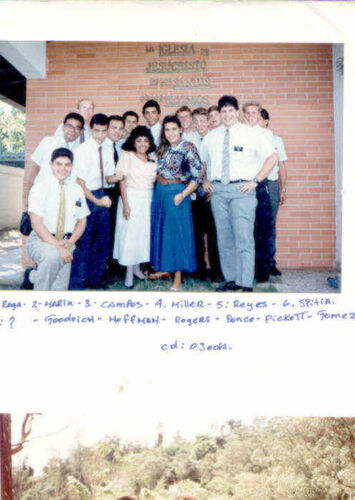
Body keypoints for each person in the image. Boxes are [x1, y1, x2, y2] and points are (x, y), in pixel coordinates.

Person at [200, 95, 278, 292]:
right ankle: (231, 279)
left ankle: (245, 282)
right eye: (223, 111)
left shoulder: (250, 134)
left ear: (236, 112)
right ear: (219, 113)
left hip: (242, 190)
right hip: (219, 192)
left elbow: (272, 157)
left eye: (230, 111)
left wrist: (256, 180)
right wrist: (205, 180)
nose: (226, 115)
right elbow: (203, 163)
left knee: (243, 237)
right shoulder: (211, 137)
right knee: (224, 238)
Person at [149, 115, 203, 291]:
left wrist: (183, 194)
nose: (170, 132)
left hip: (176, 195)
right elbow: (158, 169)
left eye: (174, 128)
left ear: (180, 129)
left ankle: (178, 279)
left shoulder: (188, 147)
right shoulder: (163, 148)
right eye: (167, 129)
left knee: (176, 236)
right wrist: (158, 177)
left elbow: (197, 176)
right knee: (162, 233)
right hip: (160, 193)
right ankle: (166, 268)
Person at [69, 113, 122, 290]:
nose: (100, 134)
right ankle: (77, 283)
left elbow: (108, 177)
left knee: (102, 242)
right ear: (91, 129)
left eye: (103, 131)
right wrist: (97, 201)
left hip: (101, 194)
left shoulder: (107, 149)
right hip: (85, 197)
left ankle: (95, 280)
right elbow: (80, 183)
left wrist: (122, 175)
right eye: (97, 131)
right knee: (83, 242)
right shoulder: (82, 150)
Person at [24, 148, 89, 291]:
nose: (63, 168)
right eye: (58, 164)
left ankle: (33, 277)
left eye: (67, 165)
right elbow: (36, 223)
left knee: (60, 287)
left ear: (72, 166)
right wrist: (58, 246)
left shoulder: (77, 189)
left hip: (66, 242)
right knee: (52, 256)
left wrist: (69, 243)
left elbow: (82, 220)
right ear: (51, 164)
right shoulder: (40, 187)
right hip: (41, 240)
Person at [109, 126, 157, 288]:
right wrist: (126, 205)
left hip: (148, 201)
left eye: (145, 140)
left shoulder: (153, 160)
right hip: (131, 199)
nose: (142, 143)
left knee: (142, 237)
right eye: (139, 140)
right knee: (130, 236)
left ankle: (137, 268)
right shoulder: (127, 156)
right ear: (133, 142)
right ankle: (128, 274)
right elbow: (122, 181)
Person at [243, 100, 275, 283]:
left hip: (259, 185)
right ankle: (248, 270)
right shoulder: (239, 132)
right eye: (247, 113)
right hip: (243, 187)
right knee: (246, 231)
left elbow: (266, 158)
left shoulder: (265, 134)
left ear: (259, 115)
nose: (250, 116)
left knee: (262, 230)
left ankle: (262, 273)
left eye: (254, 113)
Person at [25, 112, 84, 203]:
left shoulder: (81, 151)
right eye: (69, 126)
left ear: (81, 132)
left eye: (77, 128)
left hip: (65, 199)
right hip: (41, 195)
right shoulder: (47, 142)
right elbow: (35, 168)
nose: (72, 130)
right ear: (63, 127)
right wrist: (26, 197)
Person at [191, 107, 221, 281]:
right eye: (196, 121)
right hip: (195, 194)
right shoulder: (190, 140)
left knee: (213, 234)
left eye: (203, 120)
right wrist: (202, 182)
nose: (199, 124)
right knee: (197, 234)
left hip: (213, 193)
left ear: (209, 121)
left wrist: (212, 187)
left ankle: (216, 270)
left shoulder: (215, 139)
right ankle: (200, 270)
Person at [260, 107, 288, 276]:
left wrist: (282, 188)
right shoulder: (249, 138)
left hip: (271, 184)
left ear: (266, 121)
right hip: (255, 185)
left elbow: (282, 166)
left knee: (270, 225)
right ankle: (258, 264)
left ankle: (270, 263)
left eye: (259, 119)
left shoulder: (276, 140)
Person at [104, 115, 125, 275]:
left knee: (113, 229)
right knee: (104, 231)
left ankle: (112, 265)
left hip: (116, 193)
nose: (117, 131)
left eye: (120, 128)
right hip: (103, 193)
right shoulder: (102, 146)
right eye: (114, 127)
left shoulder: (118, 147)